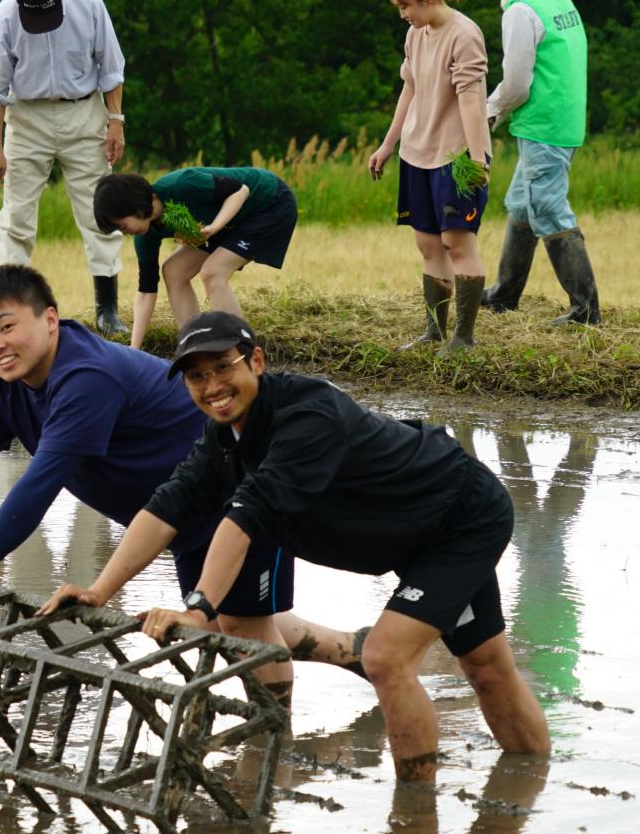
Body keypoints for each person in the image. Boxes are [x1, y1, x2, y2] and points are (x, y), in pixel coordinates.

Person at [44, 311, 550, 784]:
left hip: (459, 520)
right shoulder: (223, 438)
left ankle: (413, 822)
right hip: (410, 538)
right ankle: (531, 790)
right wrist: (98, 590)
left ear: (256, 361)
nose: (213, 387)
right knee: (485, 664)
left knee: (385, 658)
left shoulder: (308, 417)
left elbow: (242, 520)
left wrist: (198, 609)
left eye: (224, 367)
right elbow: (167, 508)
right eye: (197, 377)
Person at [0, 266, 363, 709]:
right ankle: (353, 651)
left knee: (243, 626)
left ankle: (272, 738)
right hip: (171, 519)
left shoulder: (86, 376)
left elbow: (39, 483)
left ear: (50, 319)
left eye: (7, 327)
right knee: (235, 618)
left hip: (239, 498)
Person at [463, 0, 599, 325]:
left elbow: (518, 84)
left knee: (548, 208)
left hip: (544, 122)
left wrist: (487, 112)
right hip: (563, 117)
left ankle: (585, 311)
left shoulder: (521, 9)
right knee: (523, 203)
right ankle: (505, 295)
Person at [0, 0, 128, 334]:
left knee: (100, 210)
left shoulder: (89, 3)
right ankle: (8, 308)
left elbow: (111, 68)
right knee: (16, 216)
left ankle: (107, 310)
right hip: (28, 119)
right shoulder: (4, 16)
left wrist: (116, 121)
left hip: (83, 112)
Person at [367, 0, 492, 355]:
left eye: (405, 6)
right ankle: (433, 332)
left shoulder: (464, 35)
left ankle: (464, 338)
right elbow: (410, 90)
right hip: (416, 154)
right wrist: (388, 144)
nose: (403, 15)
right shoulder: (415, 35)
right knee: (428, 245)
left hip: (454, 159)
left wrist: (479, 160)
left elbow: (472, 102)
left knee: (457, 243)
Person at [91, 166, 300, 351]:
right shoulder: (145, 236)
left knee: (213, 271)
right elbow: (146, 291)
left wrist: (215, 227)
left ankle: (242, 351)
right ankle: (195, 347)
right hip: (224, 222)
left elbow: (240, 191)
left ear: (134, 206)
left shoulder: (182, 184)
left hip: (267, 202)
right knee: (173, 271)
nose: (124, 233)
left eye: (121, 225)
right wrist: (134, 350)